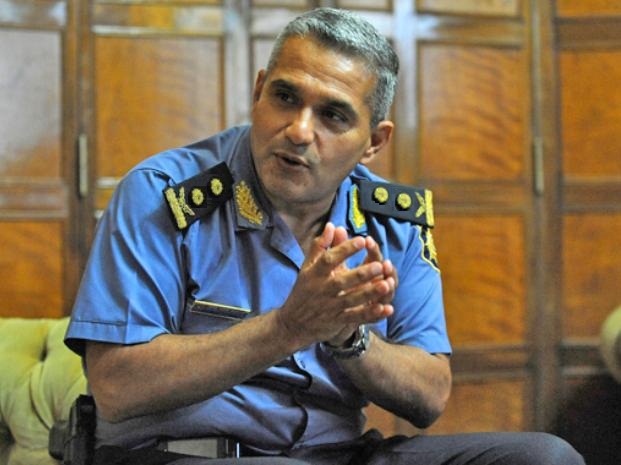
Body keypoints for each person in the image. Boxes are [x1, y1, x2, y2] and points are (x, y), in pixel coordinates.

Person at [65, 7, 584, 465]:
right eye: (284, 97)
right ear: (258, 92)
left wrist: (350, 339)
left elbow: (429, 396)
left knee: (546, 457)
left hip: (335, 453)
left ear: (373, 142)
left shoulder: (392, 221)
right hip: (185, 454)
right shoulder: (163, 194)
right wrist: (287, 327)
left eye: (333, 115)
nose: (298, 130)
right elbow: (116, 386)